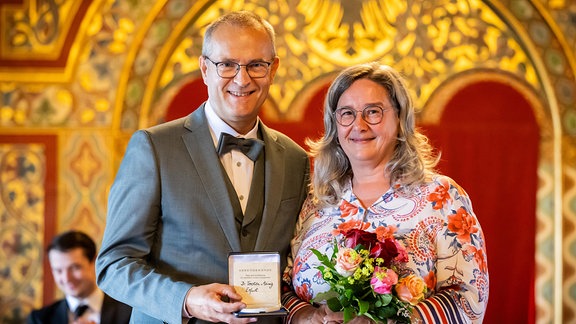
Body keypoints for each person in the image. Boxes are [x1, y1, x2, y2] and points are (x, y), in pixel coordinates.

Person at [95, 10, 310, 324]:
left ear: (273, 69)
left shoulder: (295, 158)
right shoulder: (154, 148)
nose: (242, 78)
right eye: (227, 64)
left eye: (256, 65)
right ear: (205, 68)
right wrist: (186, 299)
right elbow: (113, 265)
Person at [282, 62, 489, 323]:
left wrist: (390, 320)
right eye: (347, 113)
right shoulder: (317, 202)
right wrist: (309, 317)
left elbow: (468, 297)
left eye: (373, 112)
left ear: (400, 119)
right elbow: (284, 289)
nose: (358, 124)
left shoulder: (441, 196)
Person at [27, 230, 131, 324]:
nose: (66, 278)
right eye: (58, 271)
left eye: (74, 268)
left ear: (95, 262)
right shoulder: (39, 319)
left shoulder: (129, 311)